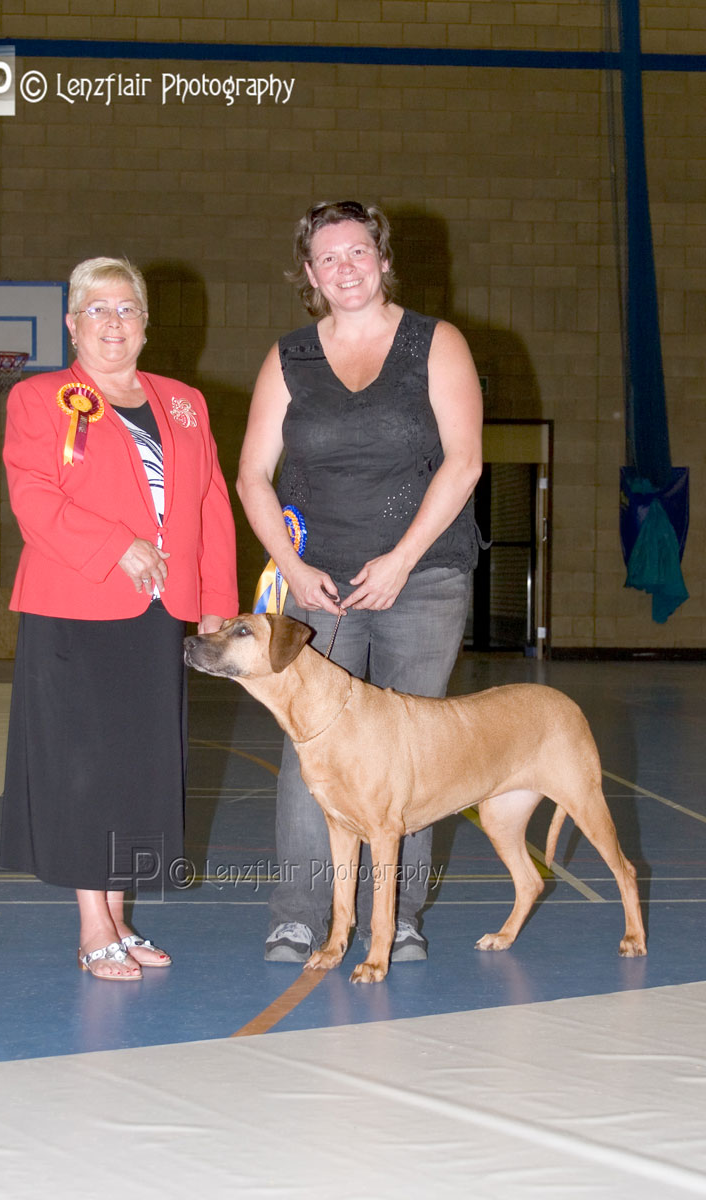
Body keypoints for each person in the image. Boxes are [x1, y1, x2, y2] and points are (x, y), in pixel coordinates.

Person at [237, 201, 483, 963]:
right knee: (310, 745)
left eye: (357, 252)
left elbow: (464, 462)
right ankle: (298, 914)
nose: (344, 268)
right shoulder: (289, 358)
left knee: (413, 750)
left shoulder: (435, 343)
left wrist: (401, 559)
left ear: (382, 260)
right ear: (309, 275)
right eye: (327, 258)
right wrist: (292, 567)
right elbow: (251, 476)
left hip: (423, 577)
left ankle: (398, 917)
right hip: (318, 587)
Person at [0, 256, 238, 981]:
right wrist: (115, 547)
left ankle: (120, 916)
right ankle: (92, 927)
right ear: (72, 324)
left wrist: (217, 602)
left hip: (160, 613)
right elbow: (33, 496)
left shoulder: (185, 403)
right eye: (97, 309)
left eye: (126, 307)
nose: (113, 321)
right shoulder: (40, 397)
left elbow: (210, 501)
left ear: (145, 323)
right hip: (75, 608)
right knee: (85, 770)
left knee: (138, 771)